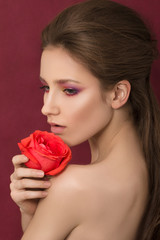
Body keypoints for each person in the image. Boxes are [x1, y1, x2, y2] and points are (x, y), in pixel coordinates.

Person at [10, 0, 160, 239]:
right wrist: (32, 212)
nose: (47, 108)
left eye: (69, 90)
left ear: (118, 93)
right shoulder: (146, 171)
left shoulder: (74, 187)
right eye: (45, 87)